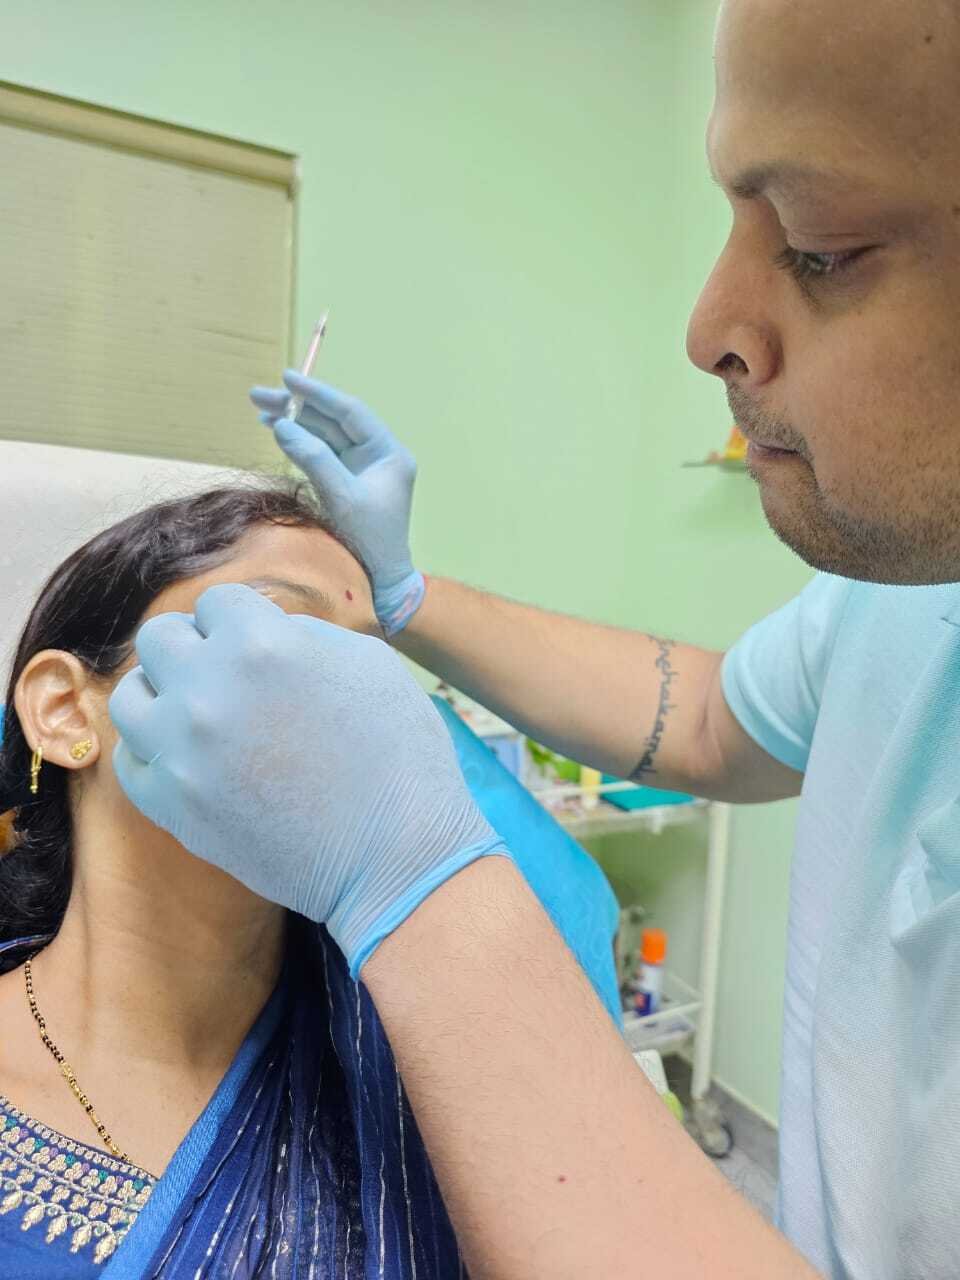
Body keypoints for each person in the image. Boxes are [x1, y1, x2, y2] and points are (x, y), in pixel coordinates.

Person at [100, 0, 960, 1276]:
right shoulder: (907, 584)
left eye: (821, 246)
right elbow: (719, 718)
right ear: (61, 704)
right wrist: (402, 594)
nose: (706, 323)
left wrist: (413, 886)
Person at [0, 479, 617, 1276]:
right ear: (65, 711)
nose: (345, 703)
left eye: (372, 670)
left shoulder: (419, 1093)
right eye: (284, 633)